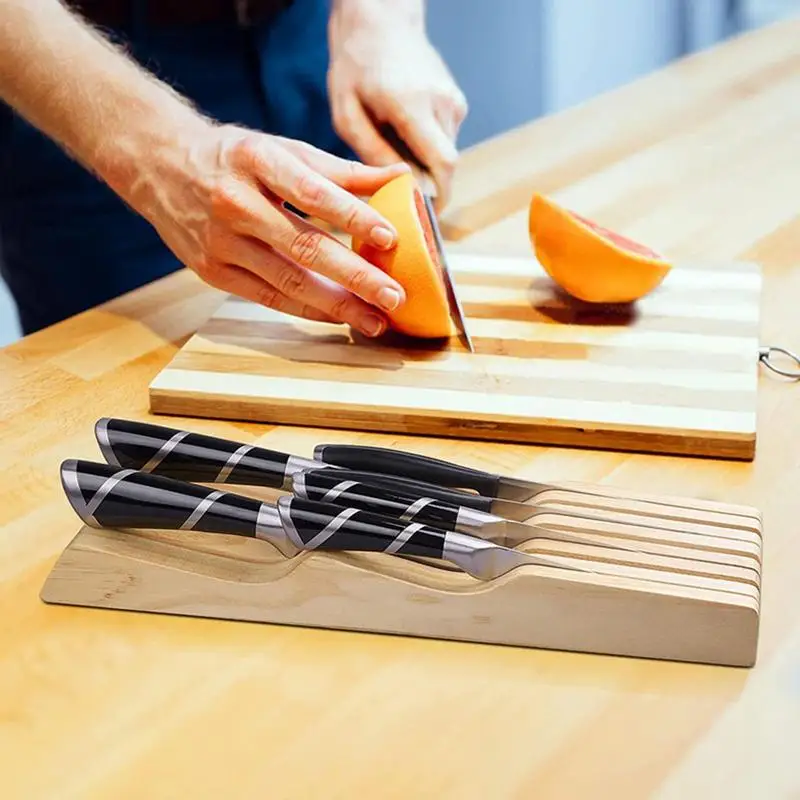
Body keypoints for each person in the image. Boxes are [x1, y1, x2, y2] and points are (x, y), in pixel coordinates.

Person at [0, 0, 467, 339]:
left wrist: (383, 17)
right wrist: (156, 153)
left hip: (303, 32)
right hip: (80, 65)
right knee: (123, 396)